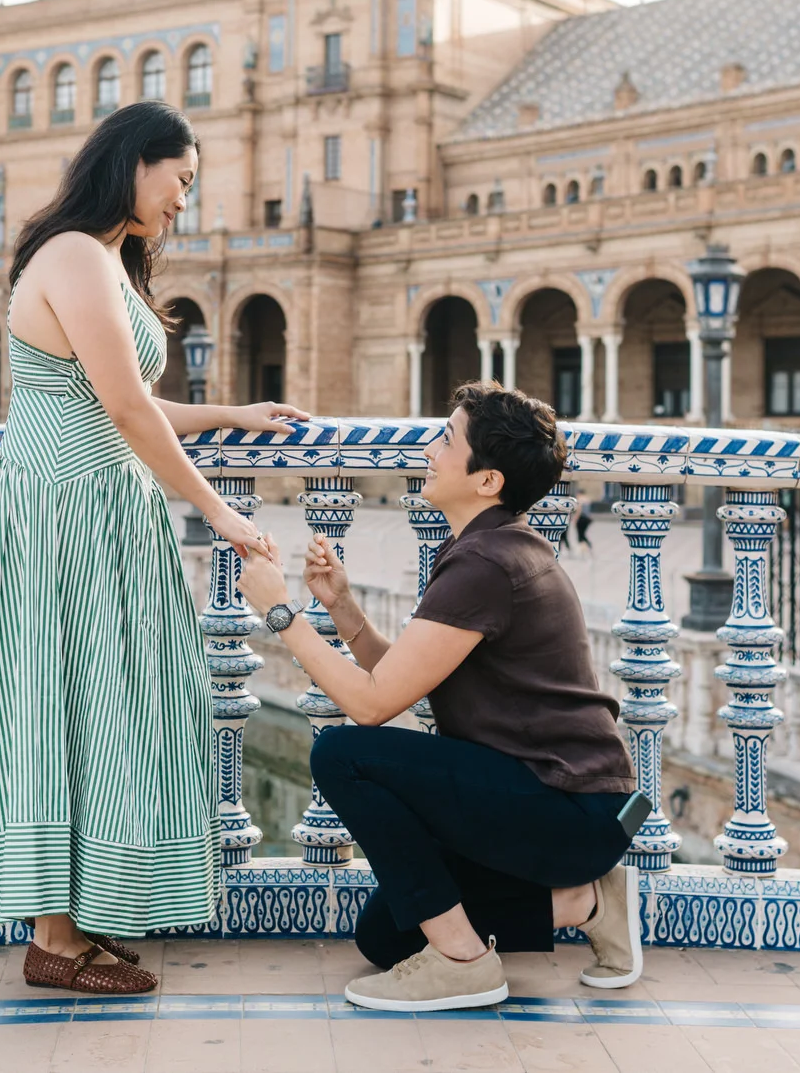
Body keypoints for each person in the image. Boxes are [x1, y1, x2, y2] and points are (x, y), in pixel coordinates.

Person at [0, 101, 307, 995]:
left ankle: (79, 919)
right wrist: (218, 511)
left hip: (98, 509)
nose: (185, 199)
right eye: (180, 179)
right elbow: (121, 405)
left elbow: (128, 396)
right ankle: (53, 939)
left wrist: (228, 414)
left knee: (101, 706)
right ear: (135, 163)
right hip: (65, 512)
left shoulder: (96, 257)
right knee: (59, 702)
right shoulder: (71, 254)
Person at [238, 382, 643, 1013]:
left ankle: (463, 963)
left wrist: (280, 612)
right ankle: (589, 901)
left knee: (343, 753)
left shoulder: (487, 563)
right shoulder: (492, 547)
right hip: (561, 805)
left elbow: (371, 707)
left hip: (566, 806)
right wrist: (341, 609)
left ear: (487, 480)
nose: (432, 448)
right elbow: (400, 681)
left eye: (448, 440)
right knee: (386, 933)